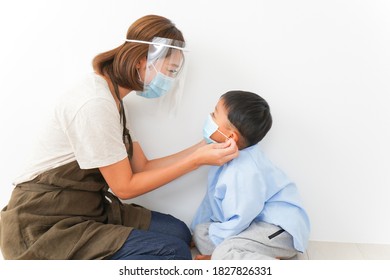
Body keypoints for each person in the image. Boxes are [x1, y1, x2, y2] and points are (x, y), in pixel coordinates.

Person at [0, 15, 238, 260]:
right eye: (169, 71)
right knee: (174, 252)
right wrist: (197, 161)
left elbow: (142, 167)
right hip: (42, 222)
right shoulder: (95, 103)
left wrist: (204, 146)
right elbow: (124, 187)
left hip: (86, 206)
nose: (169, 81)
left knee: (179, 233)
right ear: (141, 61)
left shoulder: (114, 98)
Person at [191, 90, 310, 260]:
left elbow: (241, 217)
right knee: (201, 231)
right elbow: (210, 203)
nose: (209, 117)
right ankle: (250, 253)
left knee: (223, 253)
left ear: (231, 136)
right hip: (255, 225)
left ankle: (258, 259)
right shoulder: (223, 158)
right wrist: (195, 232)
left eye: (214, 114)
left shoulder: (245, 170)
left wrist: (220, 245)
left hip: (279, 231)